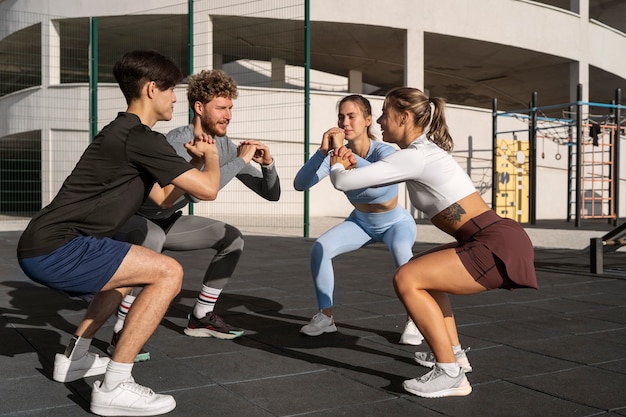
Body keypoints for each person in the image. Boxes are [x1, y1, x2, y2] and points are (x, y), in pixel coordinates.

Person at [16, 49, 222, 416]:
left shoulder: (125, 133)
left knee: (127, 273)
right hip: (57, 247)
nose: (177, 98)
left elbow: (161, 198)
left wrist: (188, 164)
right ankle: (115, 385)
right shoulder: (141, 138)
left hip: (46, 243)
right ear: (152, 89)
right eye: (172, 89)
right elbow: (207, 189)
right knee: (168, 272)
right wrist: (212, 158)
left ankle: (74, 358)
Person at [329, 87, 537, 398]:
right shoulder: (419, 153)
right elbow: (375, 175)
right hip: (489, 236)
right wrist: (354, 161)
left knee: (406, 278)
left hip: (494, 242)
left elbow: (341, 181)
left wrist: (337, 161)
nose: (381, 121)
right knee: (421, 272)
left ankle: (449, 372)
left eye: (385, 114)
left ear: (405, 117)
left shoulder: (416, 156)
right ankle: (455, 357)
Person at [110, 69, 280, 356]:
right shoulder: (178, 141)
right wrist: (239, 161)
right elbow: (192, 191)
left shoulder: (225, 146)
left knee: (232, 238)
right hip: (131, 219)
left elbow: (270, 194)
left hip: (167, 220)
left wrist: (268, 165)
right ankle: (121, 330)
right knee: (152, 240)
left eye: (230, 108)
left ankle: (201, 316)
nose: (228, 115)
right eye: (221, 108)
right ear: (199, 108)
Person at [294, 94, 423, 345]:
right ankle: (326, 317)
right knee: (320, 248)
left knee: (403, 258)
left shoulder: (384, 151)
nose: (345, 122)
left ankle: (414, 320)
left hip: (395, 223)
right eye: (341, 117)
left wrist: (353, 161)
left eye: (351, 116)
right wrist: (322, 153)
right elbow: (301, 184)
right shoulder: (336, 155)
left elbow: (383, 189)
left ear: (367, 120)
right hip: (361, 222)